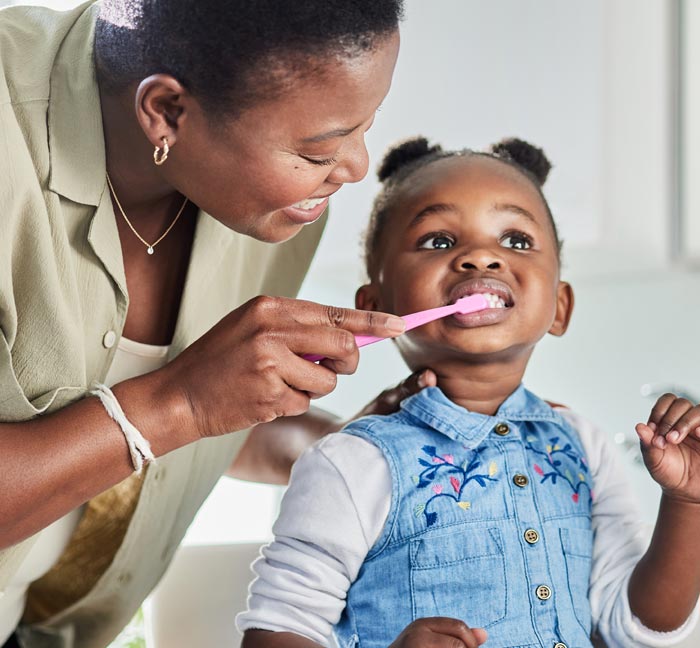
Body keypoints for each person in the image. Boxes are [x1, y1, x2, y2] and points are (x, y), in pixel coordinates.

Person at [0, 0, 438, 645]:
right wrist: (179, 403)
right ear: (167, 111)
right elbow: (178, 407)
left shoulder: (267, 201)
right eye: (319, 149)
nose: (354, 167)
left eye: (364, 125)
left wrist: (349, 456)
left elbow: (191, 431)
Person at [238, 137, 700, 648]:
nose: (481, 256)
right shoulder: (350, 462)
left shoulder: (584, 448)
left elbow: (633, 630)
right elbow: (277, 632)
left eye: (516, 241)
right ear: (376, 306)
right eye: (438, 241)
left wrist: (688, 503)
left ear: (560, 307)